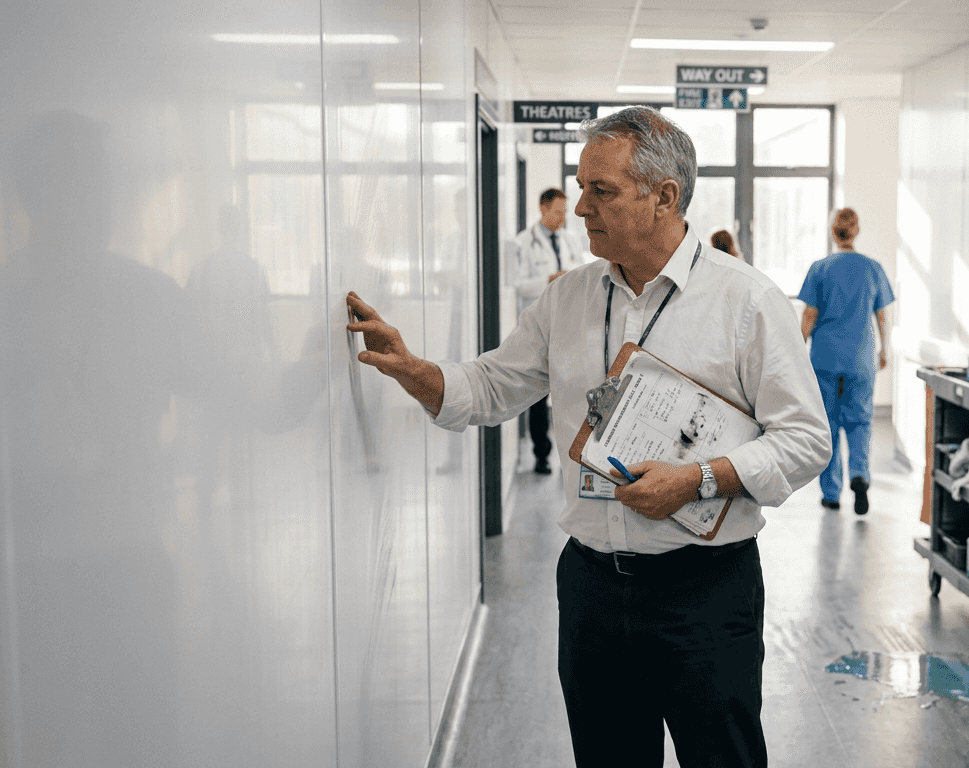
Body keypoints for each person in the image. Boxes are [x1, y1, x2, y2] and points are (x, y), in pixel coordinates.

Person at [346, 105, 829, 768]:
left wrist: (698, 478)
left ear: (665, 197)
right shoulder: (567, 298)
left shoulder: (746, 302)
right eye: (580, 188)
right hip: (592, 589)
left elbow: (806, 439)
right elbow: (490, 387)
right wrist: (416, 370)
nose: (579, 209)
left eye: (600, 191)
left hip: (704, 592)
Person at [798, 207, 894, 515]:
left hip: (824, 358)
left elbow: (809, 316)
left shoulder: (820, 268)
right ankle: (859, 476)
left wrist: (797, 352)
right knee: (860, 422)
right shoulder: (872, 268)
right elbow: (882, 315)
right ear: (856, 231)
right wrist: (884, 350)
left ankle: (831, 494)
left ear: (832, 231)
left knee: (827, 426)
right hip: (860, 359)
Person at [511, 187, 585, 473]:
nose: (564, 216)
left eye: (565, 211)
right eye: (558, 211)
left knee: (571, 389)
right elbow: (517, 286)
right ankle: (541, 454)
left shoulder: (570, 239)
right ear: (543, 209)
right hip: (539, 326)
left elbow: (580, 271)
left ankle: (574, 454)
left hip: (569, 322)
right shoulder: (522, 243)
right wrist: (549, 279)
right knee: (539, 392)